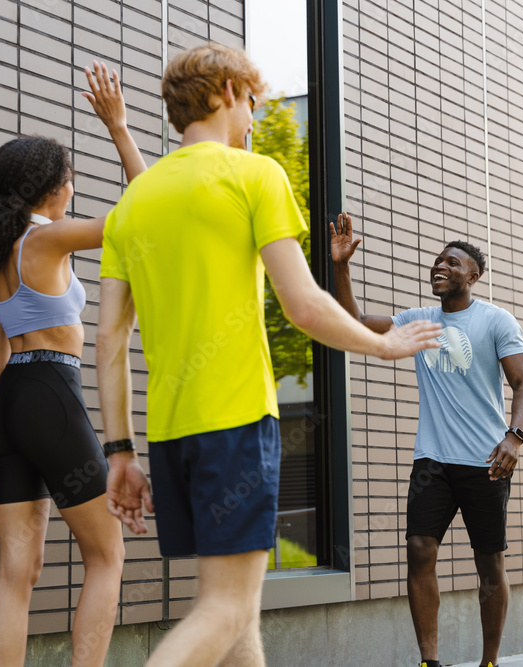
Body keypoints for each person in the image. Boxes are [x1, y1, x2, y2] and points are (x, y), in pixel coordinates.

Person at [95, 43, 441, 667]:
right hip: (235, 421)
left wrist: (119, 452)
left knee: (239, 613)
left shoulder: (133, 205)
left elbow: (109, 341)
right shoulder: (255, 174)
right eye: (253, 101)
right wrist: (384, 344)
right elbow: (304, 304)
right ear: (228, 91)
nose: (255, 117)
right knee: (225, 608)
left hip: (169, 434)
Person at [0, 63, 146, 667]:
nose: (74, 186)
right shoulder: (48, 238)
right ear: (51, 186)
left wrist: (25, 421)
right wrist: (118, 128)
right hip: (49, 391)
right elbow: (145, 212)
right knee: (106, 555)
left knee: (18, 571)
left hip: (7, 404)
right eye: (69, 177)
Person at [330, 213, 523, 667]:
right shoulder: (417, 319)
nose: (440, 266)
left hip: (487, 461)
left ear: (473, 276)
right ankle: (430, 661)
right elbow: (357, 323)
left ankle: (489, 661)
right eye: (438, 261)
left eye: (453, 262)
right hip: (433, 461)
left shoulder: (496, 320)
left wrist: (514, 437)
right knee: (419, 549)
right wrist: (342, 267)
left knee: (489, 565)